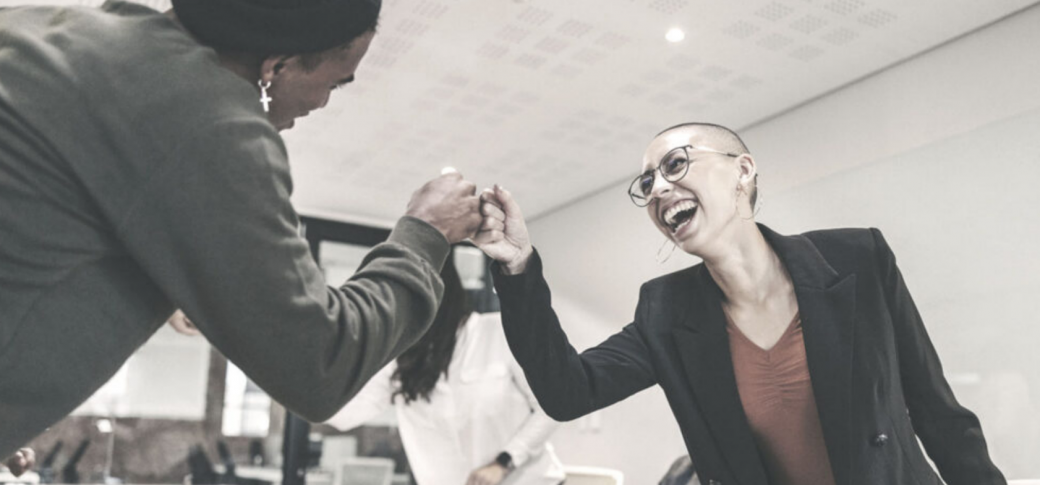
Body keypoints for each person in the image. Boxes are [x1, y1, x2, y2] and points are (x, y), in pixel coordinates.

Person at [0, 0, 482, 457]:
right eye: (335, 84)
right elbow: (320, 364)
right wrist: (425, 234)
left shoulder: (39, 25)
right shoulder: (211, 123)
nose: (322, 103)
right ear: (278, 66)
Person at [473, 123, 1006, 485]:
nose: (657, 189)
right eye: (647, 182)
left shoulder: (857, 258)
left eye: (676, 164)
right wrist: (518, 268)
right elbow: (568, 392)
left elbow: (938, 412)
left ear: (743, 170)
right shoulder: (665, 311)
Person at [325, 250, 565, 485]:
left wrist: (505, 461)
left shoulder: (499, 332)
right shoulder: (400, 361)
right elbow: (342, 415)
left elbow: (552, 406)